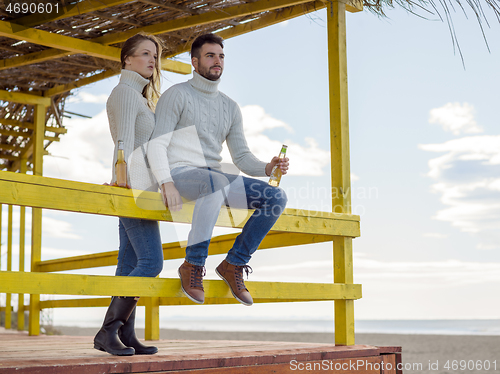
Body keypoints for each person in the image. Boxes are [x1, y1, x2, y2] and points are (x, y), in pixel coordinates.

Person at [148, 33, 289, 307]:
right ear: (194, 61)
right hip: (180, 174)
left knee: (276, 197)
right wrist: (165, 181)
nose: (217, 61)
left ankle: (234, 264)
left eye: (221, 56)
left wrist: (268, 167)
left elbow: (242, 157)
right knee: (214, 181)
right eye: (210, 55)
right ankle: (193, 264)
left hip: (214, 180)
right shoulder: (176, 95)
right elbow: (156, 145)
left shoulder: (230, 107)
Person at [93, 33, 164, 356]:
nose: (152, 60)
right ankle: (107, 332)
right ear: (127, 59)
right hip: (132, 189)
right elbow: (121, 141)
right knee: (152, 261)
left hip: (143, 189)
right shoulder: (124, 93)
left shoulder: (140, 97)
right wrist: (123, 183)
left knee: (129, 263)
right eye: (145, 53)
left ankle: (125, 334)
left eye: (155, 55)